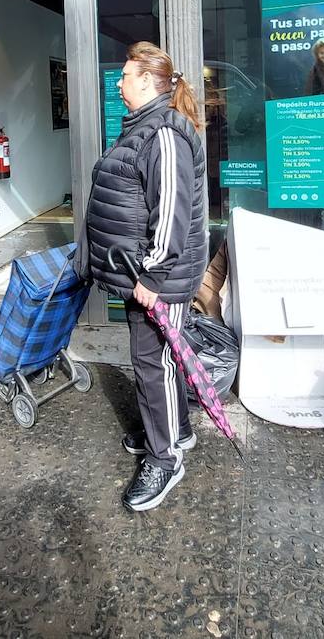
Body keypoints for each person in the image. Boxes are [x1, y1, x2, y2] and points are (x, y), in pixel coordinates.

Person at [82, 41, 208, 513]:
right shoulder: (143, 126)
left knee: (152, 363)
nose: (117, 82)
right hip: (142, 270)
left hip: (161, 275)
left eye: (125, 74)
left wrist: (153, 277)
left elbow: (172, 213)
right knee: (158, 360)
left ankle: (165, 458)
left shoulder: (164, 134)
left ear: (148, 81)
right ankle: (176, 429)